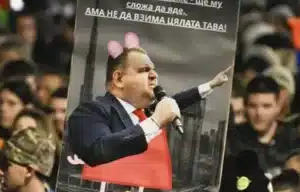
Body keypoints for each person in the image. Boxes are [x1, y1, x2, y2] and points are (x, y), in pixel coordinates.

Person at [66, 45, 230, 166]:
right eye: (144, 70)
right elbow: (98, 151)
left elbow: (175, 102)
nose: (154, 75)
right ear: (119, 79)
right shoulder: (91, 111)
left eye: (153, 70)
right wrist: (155, 121)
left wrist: (211, 84)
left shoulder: (145, 113)